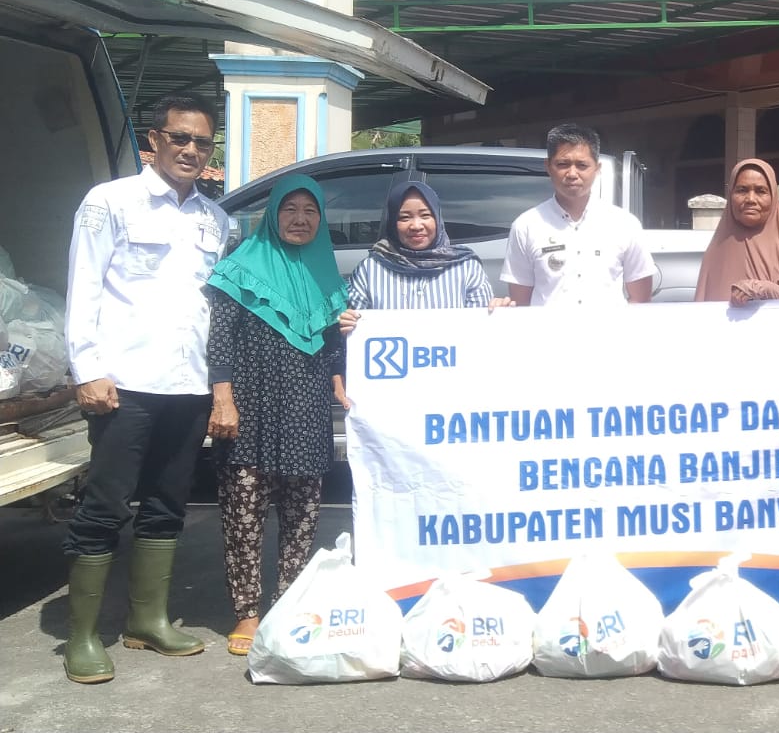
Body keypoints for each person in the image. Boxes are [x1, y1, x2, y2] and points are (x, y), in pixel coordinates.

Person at [60, 94, 229, 683]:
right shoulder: (110, 203)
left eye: (202, 142)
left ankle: (146, 620)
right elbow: (83, 287)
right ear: (152, 141)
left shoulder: (215, 218)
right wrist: (88, 370)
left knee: (167, 504)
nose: (190, 150)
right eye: (179, 138)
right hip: (123, 384)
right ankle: (81, 637)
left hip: (187, 386)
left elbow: (216, 307)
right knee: (104, 506)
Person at [205, 175, 348, 657]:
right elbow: (220, 337)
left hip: (306, 411)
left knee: (302, 515)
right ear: (272, 214)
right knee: (243, 515)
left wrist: (344, 355)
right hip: (250, 408)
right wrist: (221, 396)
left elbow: (333, 348)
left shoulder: (327, 273)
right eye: (291, 209)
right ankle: (247, 612)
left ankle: (289, 603)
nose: (301, 219)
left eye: (311, 211)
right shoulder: (240, 266)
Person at [502, 124, 656, 306]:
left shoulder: (624, 224)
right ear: (548, 167)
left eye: (582, 165)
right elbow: (520, 304)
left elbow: (640, 299)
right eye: (563, 164)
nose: (572, 173)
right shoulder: (526, 226)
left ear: (597, 169)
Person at [337, 179, 510, 334]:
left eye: (425, 215)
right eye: (404, 218)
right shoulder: (370, 269)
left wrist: (496, 315)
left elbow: (482, 331)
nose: (416, 225)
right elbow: (354, 326)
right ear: (392, 223)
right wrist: (348, 324)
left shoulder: (466, 268)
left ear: (437, 218)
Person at [694, 158, 779, 303]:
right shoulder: (717, 250)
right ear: (730, 194)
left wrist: (767, 290)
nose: (750, 199)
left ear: (773, 197)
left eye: (761, 191)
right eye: (742, 190)